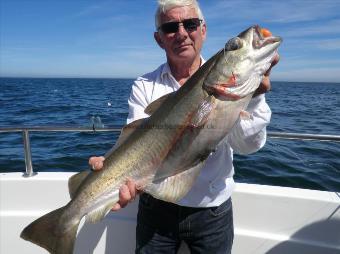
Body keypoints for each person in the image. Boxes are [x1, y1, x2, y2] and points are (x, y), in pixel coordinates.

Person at [89, 0, 279, 253]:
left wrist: (253, 97)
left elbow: (247, 146)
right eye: (170, 27)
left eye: (190, 24)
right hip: (155, 212)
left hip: (212, 212)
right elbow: (135, 143)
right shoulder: (144, 85)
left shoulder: (231, 94)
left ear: (203, 30)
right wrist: (112, 165)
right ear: (159, 39)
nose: (181, 33)